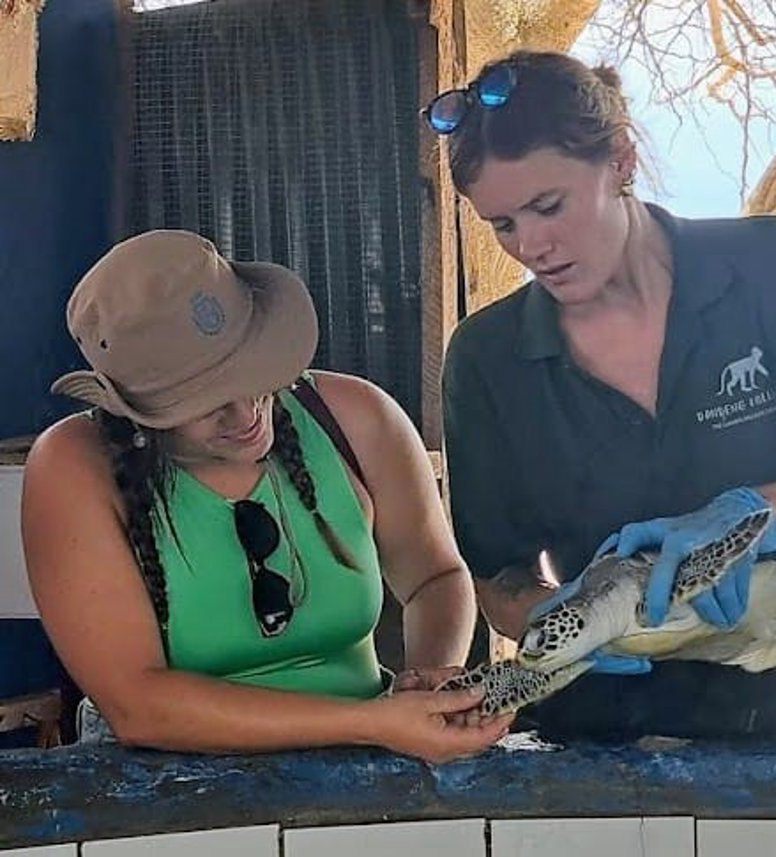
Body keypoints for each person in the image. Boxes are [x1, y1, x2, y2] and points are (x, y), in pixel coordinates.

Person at [433, 51, 776, 741]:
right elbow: (497, 582)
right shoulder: (488, 357)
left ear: (621, 159)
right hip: (604, 742)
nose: (533, 245)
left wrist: (751, 516)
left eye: (549, 206)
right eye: (503, 225)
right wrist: (574, 617)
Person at [21, 230, 513, 761]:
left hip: (373, 758)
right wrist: (369, 723)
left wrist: (427, 681)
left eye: (251, 374)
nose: (246, 415)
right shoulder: (73, 464)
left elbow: (434, 578)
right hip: (168, 791)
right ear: (131, 409)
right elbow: (139, 706)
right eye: (202, 402)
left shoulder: (357, 416)